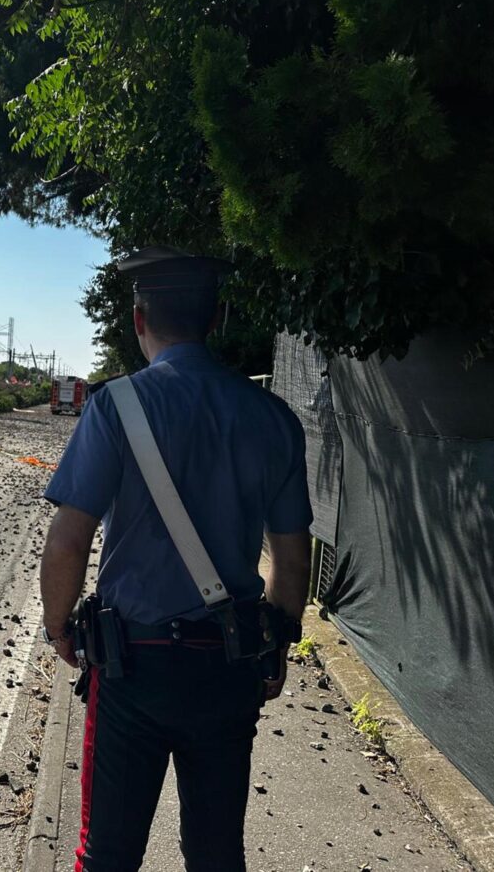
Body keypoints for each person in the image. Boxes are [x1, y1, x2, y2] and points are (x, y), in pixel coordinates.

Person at [39, 246, 313, 872]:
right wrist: (276, 644)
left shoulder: (114, 407)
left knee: (107, 854)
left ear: (138, 320)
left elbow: (69, 538)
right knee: (217, 854)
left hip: (133, 668)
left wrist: (60, 627)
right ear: (217, 318)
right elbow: (293, 562)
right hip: (228, 668)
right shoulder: (273, 419)